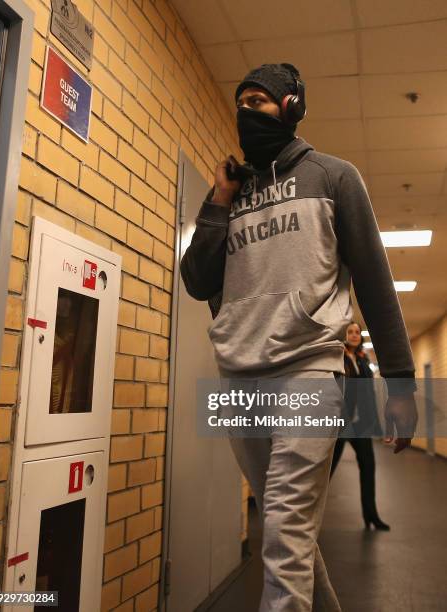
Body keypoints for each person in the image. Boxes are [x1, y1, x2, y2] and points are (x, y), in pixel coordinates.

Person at [180, 63, 417, 612]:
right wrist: (217, 201)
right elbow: (195, 281)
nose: (245, 111)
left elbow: (377, 282)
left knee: (283, 538)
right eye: (240, 101)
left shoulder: (334, 177)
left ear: (291, 108)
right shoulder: (228, 195)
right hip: (237, 375)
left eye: (259, 101)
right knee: (294, 538)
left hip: (308, 371)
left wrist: (400, 388)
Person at [330, 321, 390, 530]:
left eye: (357, 332)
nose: (354, 335)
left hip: (360, 425)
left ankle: (371, 516)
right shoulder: (336, 357)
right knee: (325, 473)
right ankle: (306, 517)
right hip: (339, 424)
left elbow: (369, 397)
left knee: (368, 467)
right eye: (350, 332)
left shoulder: (364, 361)